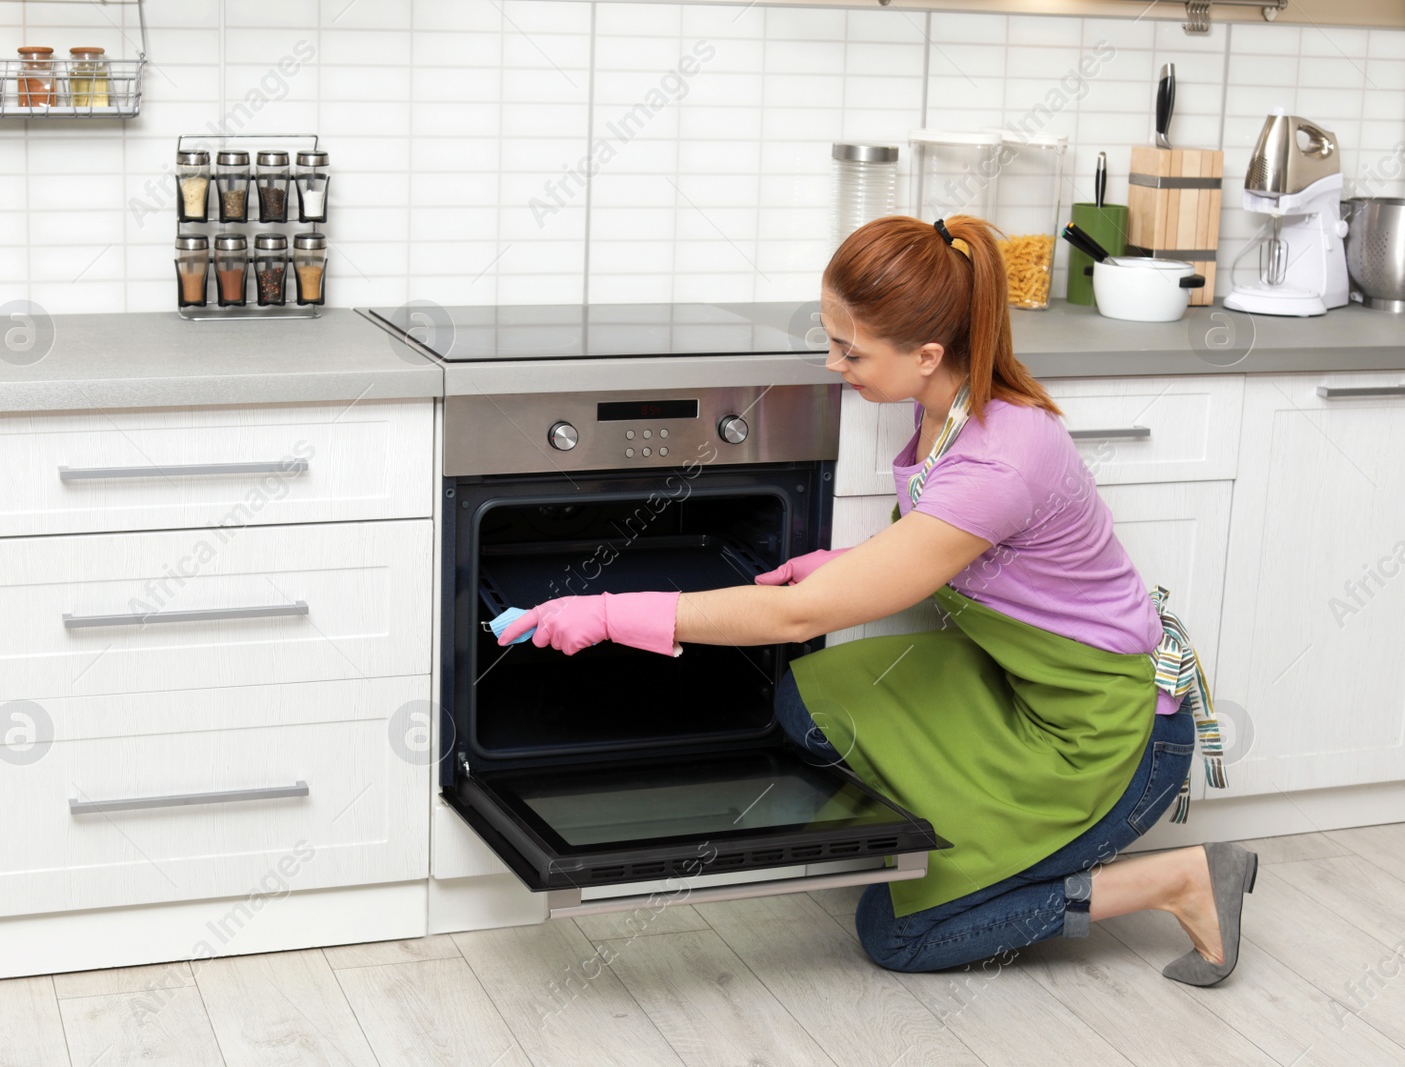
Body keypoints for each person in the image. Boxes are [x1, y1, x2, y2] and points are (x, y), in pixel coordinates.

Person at [498, 214, 1255, 987]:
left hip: (1107, 741)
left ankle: (1178, 879)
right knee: (811, 700)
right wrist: (850, 561)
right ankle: (970, 837)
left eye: (850, 350)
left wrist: (607, 612)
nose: (834, 364)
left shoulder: (999, 458)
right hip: (1020, 686)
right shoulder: (947, 400)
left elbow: (800, 618)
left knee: (897, 936)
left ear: (927, 354)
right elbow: (955, 544)